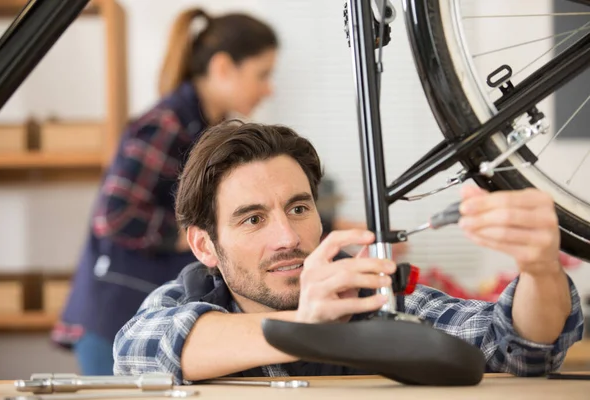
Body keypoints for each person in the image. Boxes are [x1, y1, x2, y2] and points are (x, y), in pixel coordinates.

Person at [113, 121, 584, 384]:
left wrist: (540, 269)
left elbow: (519, 350)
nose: (287, 237)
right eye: (253, 219)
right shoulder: (187, 300)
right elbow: (138, 351)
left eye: (298, 208)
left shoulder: (365, 295)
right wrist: (305, 329)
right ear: (204, 246)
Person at [52, 9, 278, 375]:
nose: (270, 88)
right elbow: (115, 216)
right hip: (114, 316)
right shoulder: (166, 125)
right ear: (223, 67)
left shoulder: (202, 128)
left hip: (144, 310)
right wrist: (199, 236)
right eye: (262, 74)